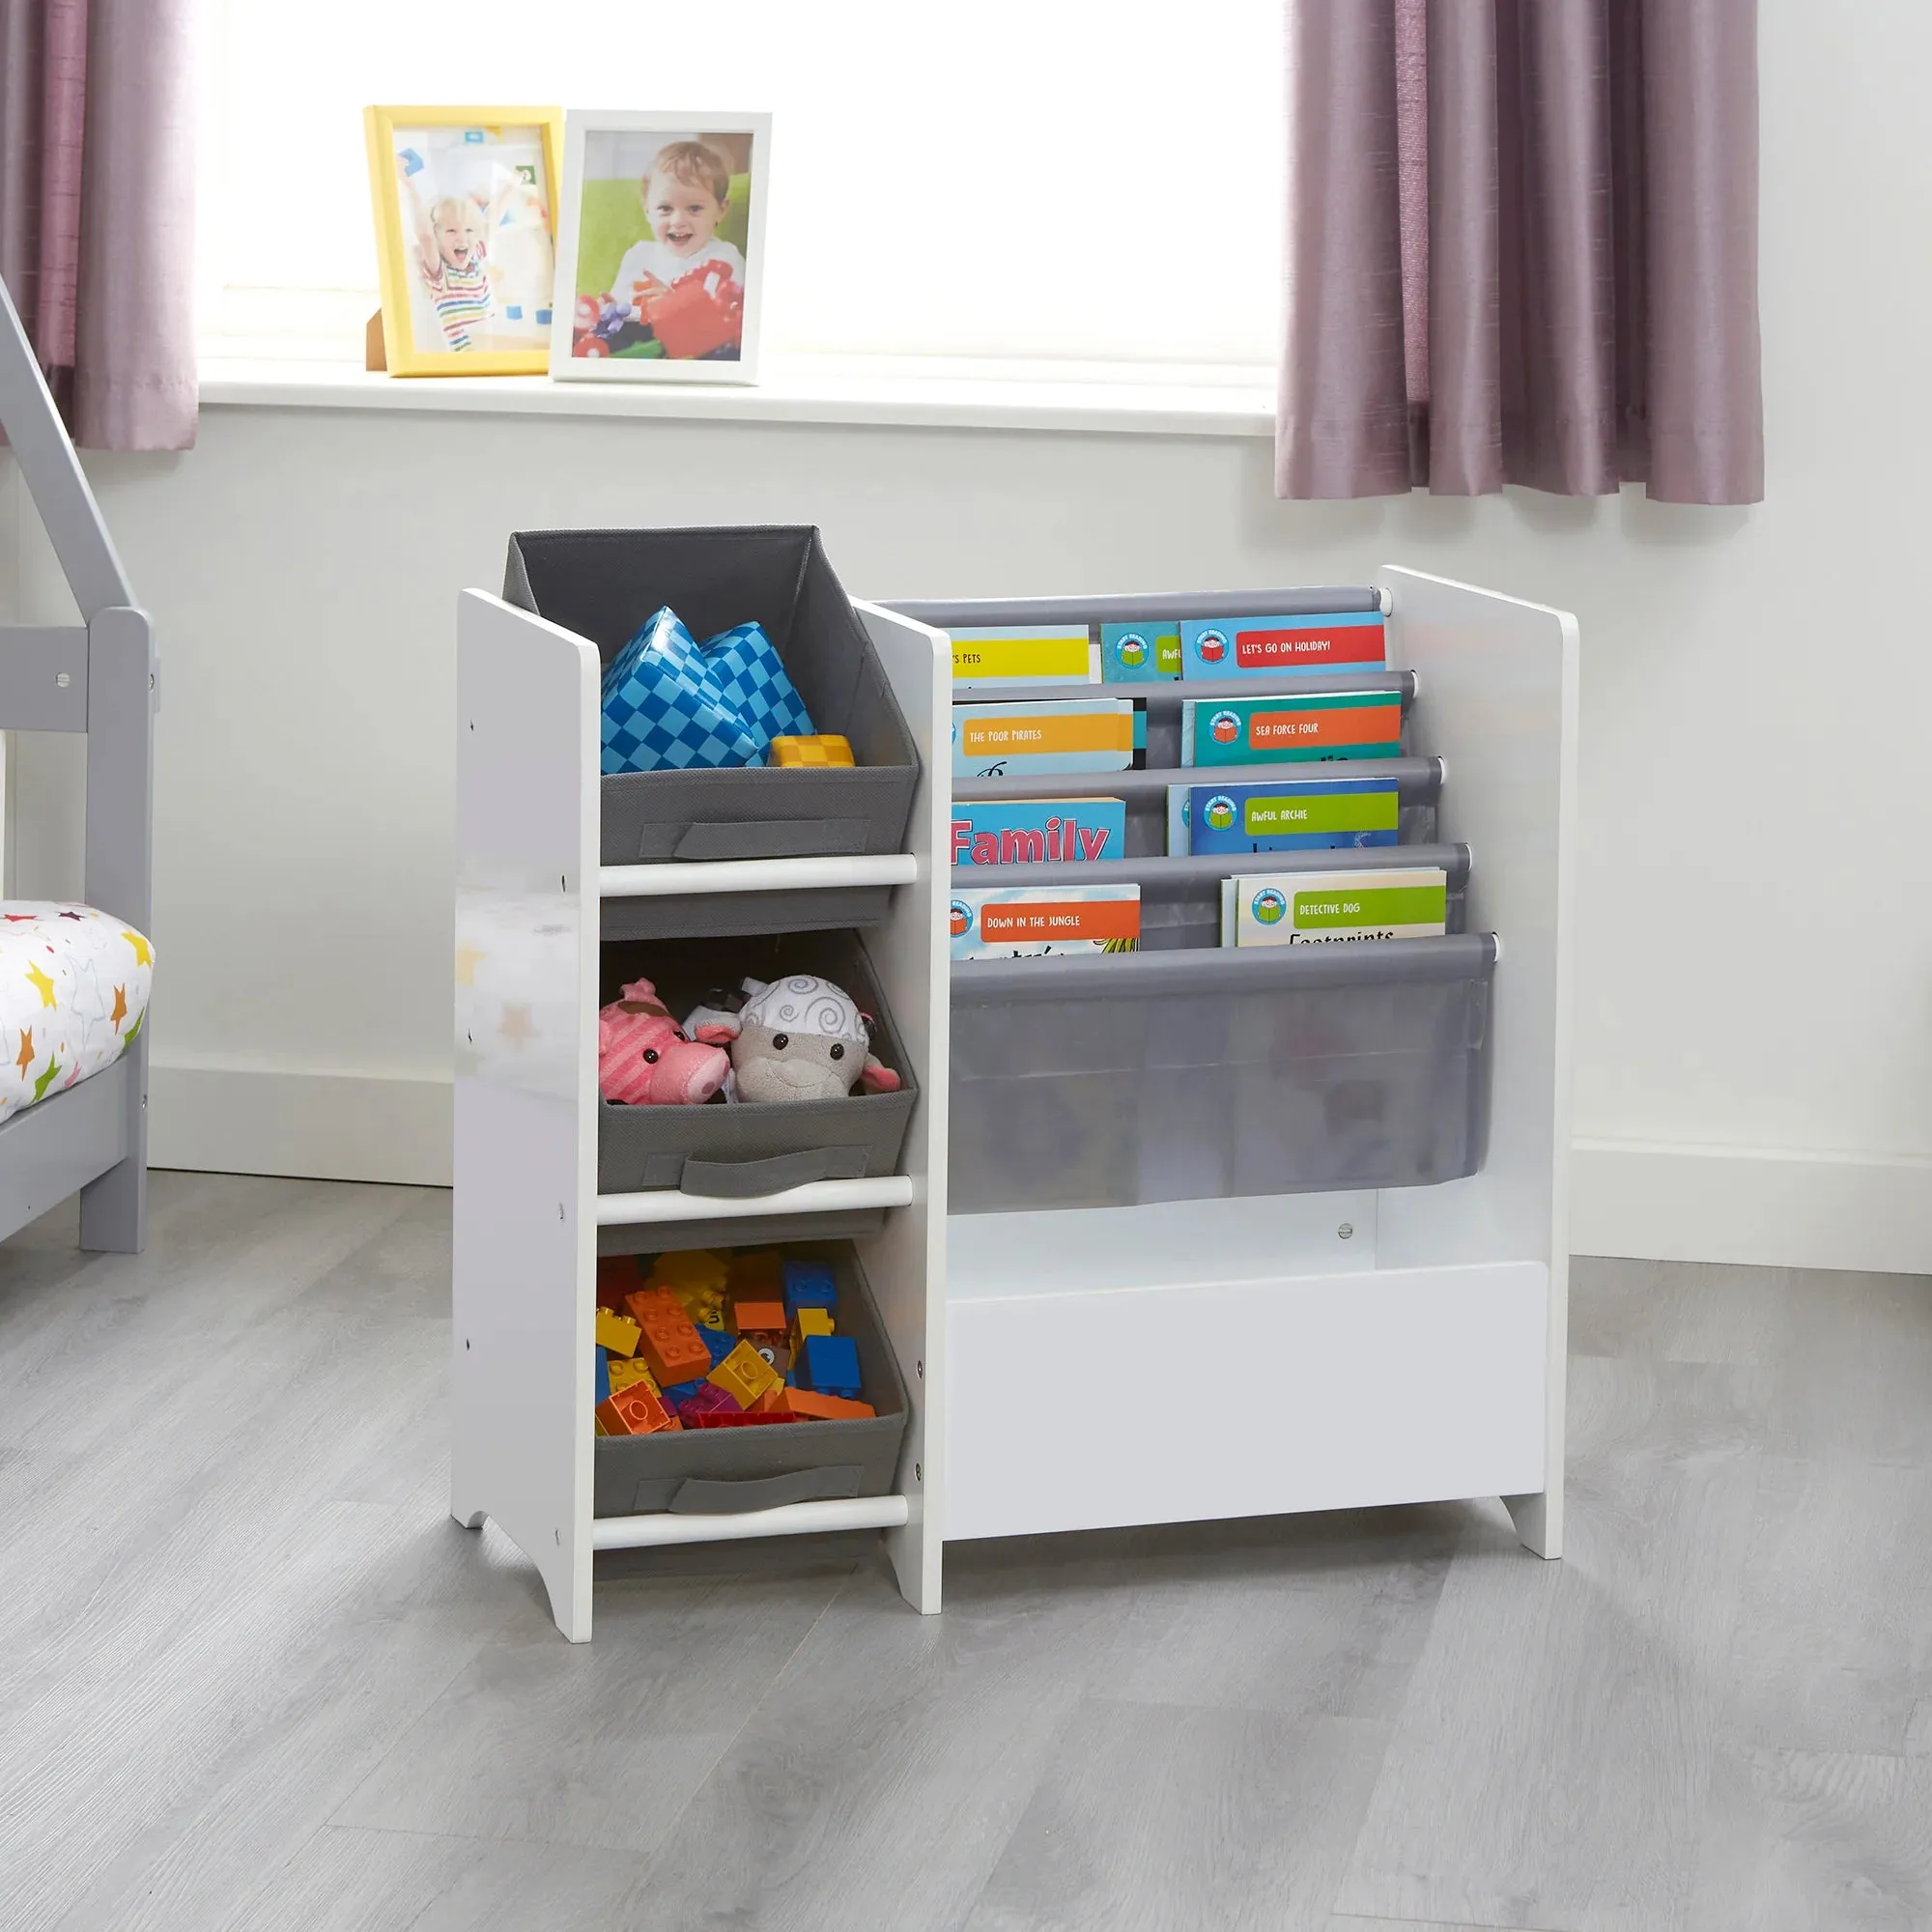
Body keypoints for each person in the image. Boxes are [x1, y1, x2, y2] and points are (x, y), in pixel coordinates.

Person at [611, 141, 745, 324]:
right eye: (665, 208)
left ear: (721, 211)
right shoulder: (639, 255)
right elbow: (618, 307)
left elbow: (730, 324)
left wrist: (674, 306)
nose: (678, 221)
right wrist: (607, 309)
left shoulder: (725, 260)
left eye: (695, 208)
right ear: (647, 210)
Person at [397, 155, 492, 352]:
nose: (462, 239)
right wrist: (410, 186)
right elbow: (425, 236)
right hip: (465, 359)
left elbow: (494, 216)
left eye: (468, 230)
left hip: (490, 350)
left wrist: (515, 180)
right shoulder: (441, 274)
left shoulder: (475, 256)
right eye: (451, 231)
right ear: (437, 238)